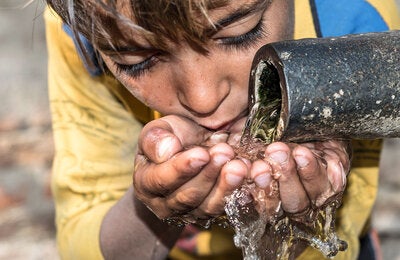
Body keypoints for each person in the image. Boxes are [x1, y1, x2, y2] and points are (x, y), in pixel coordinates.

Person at [43, 0, 400, 259]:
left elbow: (341, 244)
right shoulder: (90, 22)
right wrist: (155, 205)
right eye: (138, 61)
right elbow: (82, 240)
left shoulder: (359, 26)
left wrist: (307, 220)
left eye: (238, 33)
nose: (203, 99)